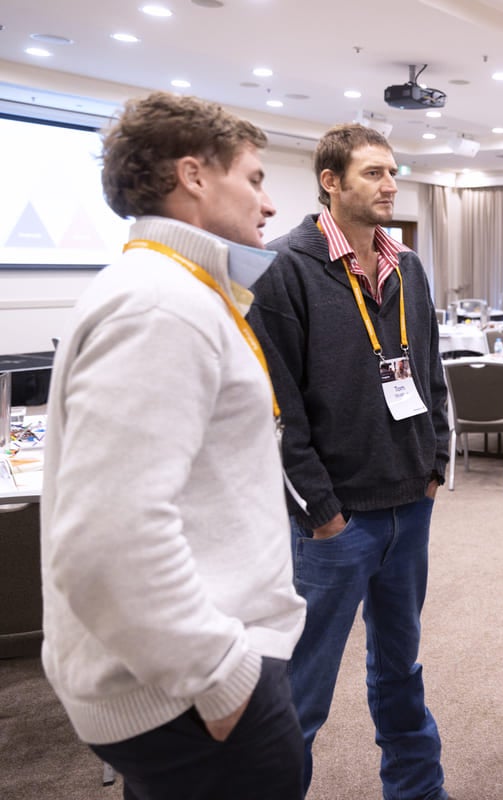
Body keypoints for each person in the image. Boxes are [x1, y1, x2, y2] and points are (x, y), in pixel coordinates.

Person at [39, 92, 307, 799]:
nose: (270, 204)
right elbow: (106, 539)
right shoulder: (163, 305)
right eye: (254, 178)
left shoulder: (175, 292)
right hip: (187, 687)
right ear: (193, 176)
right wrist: (221, 678)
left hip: (178, 673)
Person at [247, 123, 453, 800]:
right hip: (335, 523)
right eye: (373, 173)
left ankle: (418, 791)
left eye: (393, 172)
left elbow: (428, 371)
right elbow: (280, 411)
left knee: (401, 669)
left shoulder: (409, 265)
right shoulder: (285, 269)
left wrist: (437, 460)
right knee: (301, 693)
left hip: (409, 506)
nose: (390, 185)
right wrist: (322, 512)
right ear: (330, 182)